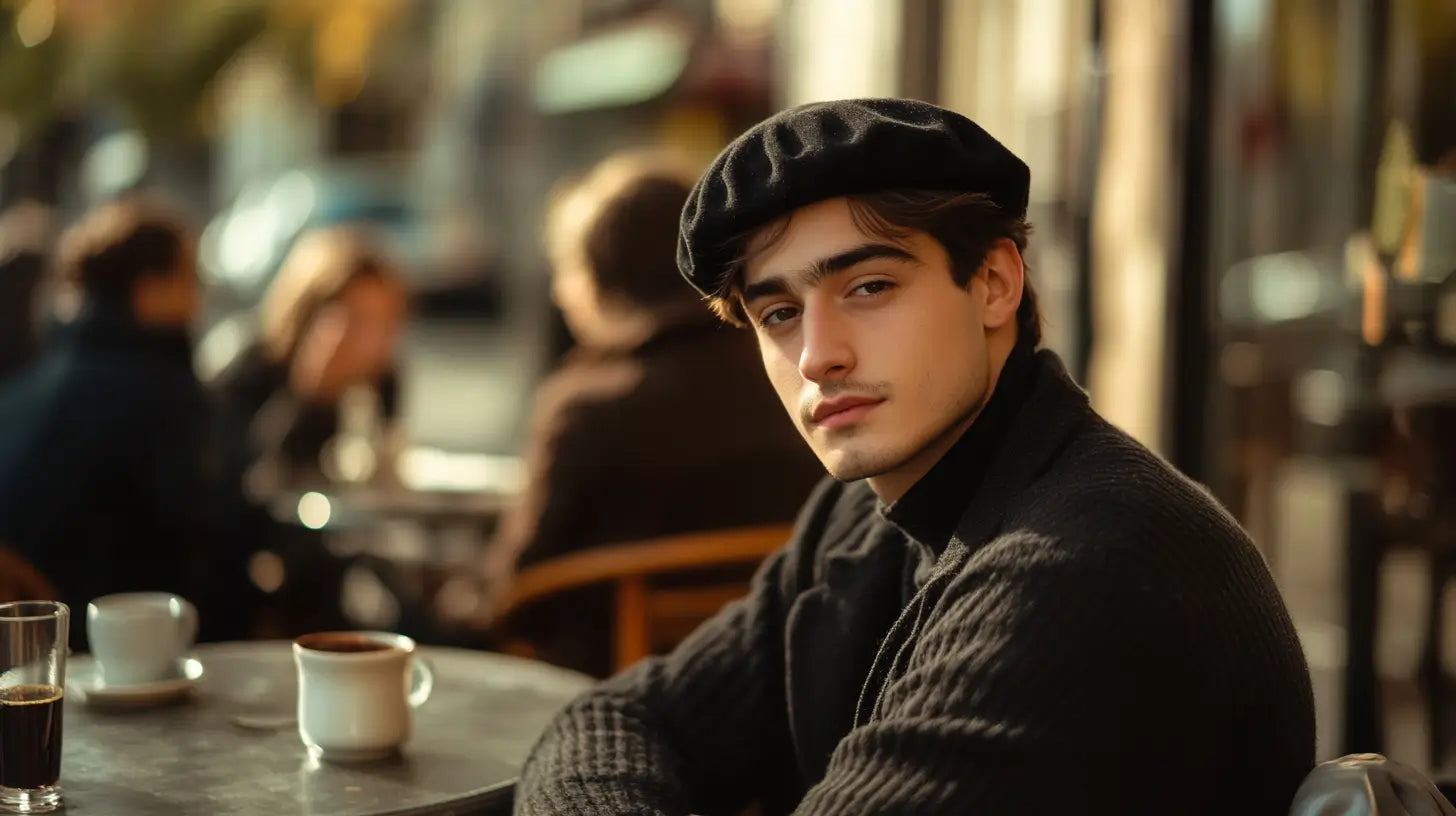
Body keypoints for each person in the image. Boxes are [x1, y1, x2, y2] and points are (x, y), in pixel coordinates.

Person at [514, 99, 1315, 814]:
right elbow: (617, 719)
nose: (818, 355)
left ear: (994, 283)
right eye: (780, 313)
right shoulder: (862, 514)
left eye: (868, 287)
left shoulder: (1080, 568)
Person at [481, 151, 823, 676]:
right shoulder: (787, 372)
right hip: (785, 666)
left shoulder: (586, 407)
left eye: (568, 270)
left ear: (601, 277)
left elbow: (512, 585)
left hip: (604, 683)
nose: (560, 293)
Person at [0, 196, 212, 647]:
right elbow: (202, 533)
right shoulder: (156, 393)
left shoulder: (40, 378)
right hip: (122, 641)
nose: (199, 298)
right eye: (189, 278)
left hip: (41, 641)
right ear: (148, 289)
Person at [213, 225, 408, 491]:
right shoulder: (251, 369)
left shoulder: (380, 382)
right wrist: (309, 394)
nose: (373, 343)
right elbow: (249, 476)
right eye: (360, 321)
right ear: (312, 314)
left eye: (385, 324)